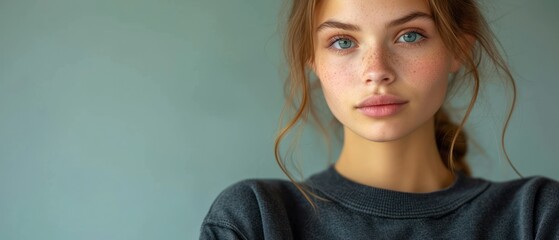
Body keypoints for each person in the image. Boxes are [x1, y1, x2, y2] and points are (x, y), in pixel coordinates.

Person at [200, 0, 559, 239]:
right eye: (342, 42)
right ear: (312, 59)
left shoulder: (536, 217)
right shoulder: (257, 220)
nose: (377, 72)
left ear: (457, 49)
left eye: (409, 35)